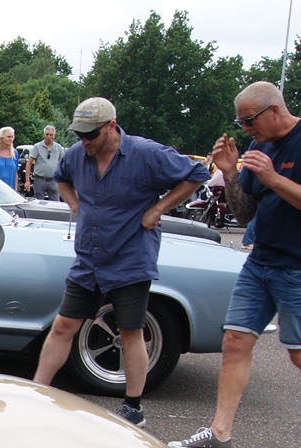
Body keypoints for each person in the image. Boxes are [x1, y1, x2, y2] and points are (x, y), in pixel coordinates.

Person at [168, 81, 301, 448]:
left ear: (274, 111)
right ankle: (220, 432)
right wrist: (230, 172)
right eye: (240, 121)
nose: (245, 129)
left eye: (249, 120)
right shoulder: (259, 148)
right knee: (235, 341)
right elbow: (245, 213)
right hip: (261, 261)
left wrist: (274, 178)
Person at [31, 97, 207, 427]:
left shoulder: (145, 153)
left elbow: (197, 173)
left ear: (111, 126)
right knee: (63, 325)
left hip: (130, 256)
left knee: (130, 331)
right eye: (80, 135)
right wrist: (74, 205)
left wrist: (158, 209)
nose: (85, 142)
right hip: (89, 256)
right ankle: (38, 393)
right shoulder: (75, 154)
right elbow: (61, 176)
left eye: (91, 135)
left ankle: (133, 406)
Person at [25, 124, 65, 200]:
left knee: (55, 204)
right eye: (47, 134)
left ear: (54, 136)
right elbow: (29, 163)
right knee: (39, 204)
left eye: (51, 135)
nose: (49, 137)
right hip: (40, 180)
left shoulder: (58, 147)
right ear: (44, 135)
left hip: (54, 180)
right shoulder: (37, 147)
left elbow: (63, 164)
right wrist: (27, 181)